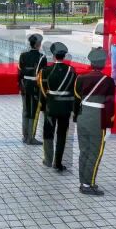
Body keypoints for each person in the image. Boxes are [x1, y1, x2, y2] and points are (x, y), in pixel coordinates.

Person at [73, 47, 115, 196]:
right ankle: (87, 184)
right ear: (103, 63)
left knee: (84, 150)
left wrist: (76, 118)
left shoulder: (80, 78)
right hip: (97, 118)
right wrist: (109, 125)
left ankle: (83, 181)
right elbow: (109, 104)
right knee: (95, 152)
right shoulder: (108, 81)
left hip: (82, 116)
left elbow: (76, 99)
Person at [38, 42, 76, 171]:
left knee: (48, 133)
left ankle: (48, 160)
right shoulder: (71, 71)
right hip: (65, 107)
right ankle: (58, 163)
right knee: (62, 135)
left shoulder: (46, 71)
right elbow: (74, 91)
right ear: (64, 56)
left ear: (53, 56)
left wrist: (43, 106)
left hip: (51, 106)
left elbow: (43, 90)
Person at [18, 34, 47, 145]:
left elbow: (19, 73)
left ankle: (25, 136)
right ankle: (31, 138)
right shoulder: (42, 57)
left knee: (25, 111)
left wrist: (21, 86)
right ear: (38, 44)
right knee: (33, 112)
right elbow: (43, 75)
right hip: (35, 86)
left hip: (24, 85)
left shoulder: (23, 55)